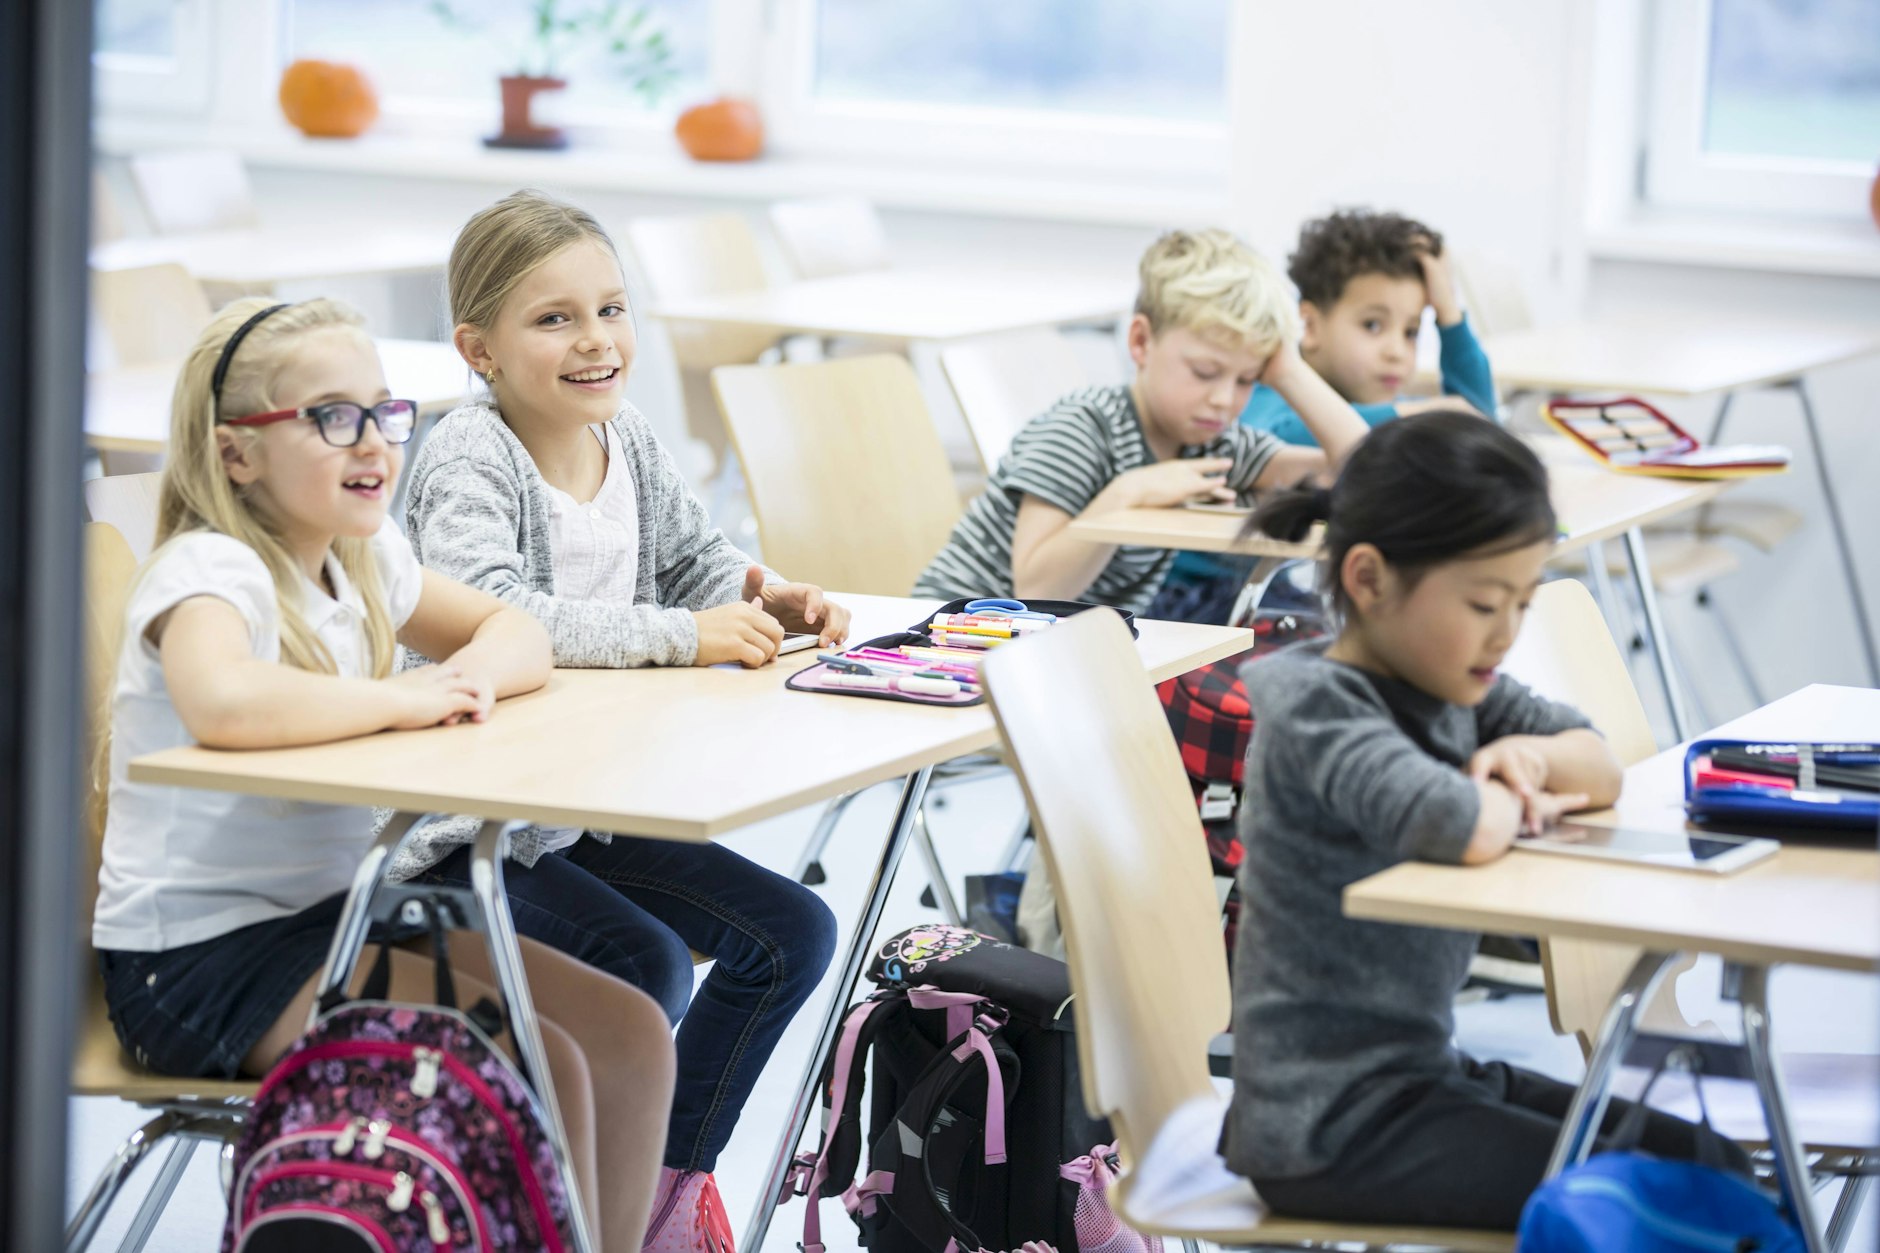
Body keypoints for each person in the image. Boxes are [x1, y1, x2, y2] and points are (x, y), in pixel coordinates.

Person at [92, 297, 676, 1247]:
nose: (372, 442)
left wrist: (468, 675)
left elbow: (513, 627)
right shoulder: (211, 569)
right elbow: (225, 703)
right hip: (197, 965)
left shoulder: (363, 556)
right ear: (238, 453)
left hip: (329, 919)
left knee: (627, 1035)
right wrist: (408, 698)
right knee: (542, 1059)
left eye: (383, 412)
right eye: (332, 417)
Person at [399, 190, 842, 1253]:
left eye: (610, 308)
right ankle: (551, 1210)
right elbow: (512, 617)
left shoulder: (626, 434)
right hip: (465, 825)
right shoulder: (470, 456)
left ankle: (653, 1198)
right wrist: (684, 634)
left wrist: (765, 590)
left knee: (790, 934)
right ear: (481, 350)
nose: (595, 340)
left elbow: (694, 565)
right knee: (647, 964)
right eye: (553, 319)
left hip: (580, 808)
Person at [1221, 412, 1750, 1229]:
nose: (1505, 632)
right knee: (1653, 1199)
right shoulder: (1313, 704)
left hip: (1423, 1080)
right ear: (1368, 579)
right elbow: (1454, 820)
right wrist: (1502, 795)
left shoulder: (1453, 678)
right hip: (1327, 1127)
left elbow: (1598, 762)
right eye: (1481, 602)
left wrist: (1528, 763)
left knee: (1715, 1163)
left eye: (1521, 603)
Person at [913, 227, 1370, 615]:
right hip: (949, 632)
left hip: (1060, 651)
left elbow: (1366, 472)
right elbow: (1038, 589)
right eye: (1205, 372)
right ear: (1141, 342)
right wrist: (1128, 493)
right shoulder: (1083, 428)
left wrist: (1289, 371)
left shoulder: (1217, 444)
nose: (1223, 400)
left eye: (1248, 379)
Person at [1154, 209, 1497, 624]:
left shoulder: (1351, 408)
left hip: (1260, 596)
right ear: (1309, 326)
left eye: (1411, 331)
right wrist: (1411, 415)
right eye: (1373, 325)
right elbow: (1270, 437)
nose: (1396, 351)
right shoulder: (1264, 395)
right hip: (1191, 609)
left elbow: (1481, 439)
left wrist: (1450, 313)